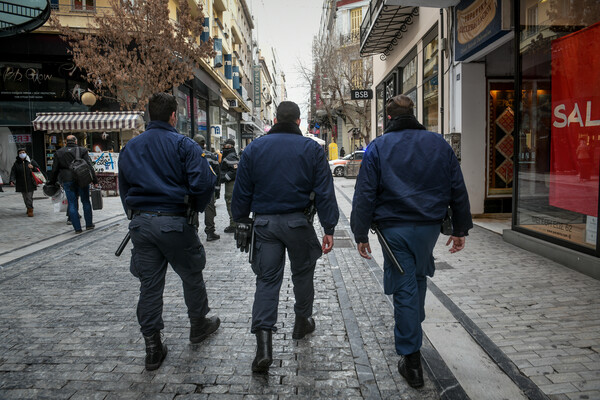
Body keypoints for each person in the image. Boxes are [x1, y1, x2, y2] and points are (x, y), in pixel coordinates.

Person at [350, 94, 472, 389]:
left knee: (405, 286)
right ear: (413, 113)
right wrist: (460, 228)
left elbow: (365, 193)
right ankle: (413, 326)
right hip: (429, 227)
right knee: (416, 277)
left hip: (394, 230)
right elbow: (457, 186)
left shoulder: (378, 147)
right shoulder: (438, 144)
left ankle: (411, 358)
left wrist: (360, 232)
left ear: (389, 117)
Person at [232, 101, 339, 373]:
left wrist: (241, 220)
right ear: (299, 121)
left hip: (265, 224)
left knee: (267, 281)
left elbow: (241, 190)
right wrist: (329, 227)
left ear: (276, 118)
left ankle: (263, 348)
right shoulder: (313, 150)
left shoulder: (254, 148)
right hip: (298, 223)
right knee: (303, 275)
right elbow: (325, 191)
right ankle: (301, 322)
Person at [118, 92, 220, 371]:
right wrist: (193, 211)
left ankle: (152, 347)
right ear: (174, 115)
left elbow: (124, 188)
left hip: (142, 224)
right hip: (174, 221)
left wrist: (135, 216)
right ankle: (198, 324)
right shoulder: (184, 145)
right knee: (191, 274)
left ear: (149, 114)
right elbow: (203, 184)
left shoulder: (130, 147)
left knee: (149, 285)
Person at [48, 136, 98, 233]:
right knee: (86, 201)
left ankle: (77, 228)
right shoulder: (82, 150)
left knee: (72, 203)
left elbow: (54, 169)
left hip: (67, 179)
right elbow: (89, 165)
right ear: (75, 141)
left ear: (66, 142)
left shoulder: (59, 152)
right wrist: (95, 180)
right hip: (82, 178)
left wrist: (52, 182)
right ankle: (89, 224)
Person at [193, 134, 221, 241]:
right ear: (204, 144)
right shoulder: (211, 156)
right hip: (208, 187)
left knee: (193, 208)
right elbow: (217, 174)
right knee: (209, 208)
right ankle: (210, 232)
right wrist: (217, 188)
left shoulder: (190, 154)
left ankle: (193, 231)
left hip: (194, 186)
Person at [9, 148, 43, 217]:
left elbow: (38, 170)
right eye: (20, 153)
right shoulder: (16, 163)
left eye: (23, 152)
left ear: (26, 153)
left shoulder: (31, 161)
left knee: (29, 197)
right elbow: (13, 172)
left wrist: (33, 167)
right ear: (18, 155)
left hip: (30, 182)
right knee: (25, 197)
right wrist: (12, 180)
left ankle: (30, 209)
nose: (22, 154)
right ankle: (28, 207)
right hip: (21, 183)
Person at [220, 138, 240, 233]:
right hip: (231, 182)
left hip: (231, 183)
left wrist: (225, 178)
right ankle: (234, 223)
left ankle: (233, 224)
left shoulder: (230, 156)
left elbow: (234, 170)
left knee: (230, 202)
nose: (223, 147)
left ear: (229, 146)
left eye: (225, 145)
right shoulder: (230, 155)